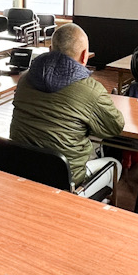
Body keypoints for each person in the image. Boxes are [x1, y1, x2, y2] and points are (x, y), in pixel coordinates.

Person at [9, 23, 124, 189]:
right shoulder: (91, 90)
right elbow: (116, 127)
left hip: (20, 169)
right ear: (85, 56)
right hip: (65, 180)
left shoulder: (25, 79)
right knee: (114, 165)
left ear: (50, 50)